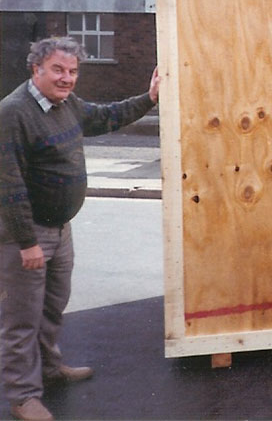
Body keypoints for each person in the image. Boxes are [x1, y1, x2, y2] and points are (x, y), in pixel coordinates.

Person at [0, 37, 160, 421]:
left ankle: (50, 369)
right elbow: (8, 185)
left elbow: (105, 117)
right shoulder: (13, 113)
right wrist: (26, 242)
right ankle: (23, 396)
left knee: (53, 306)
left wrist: (150, 98)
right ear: (36, 69)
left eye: (72, 71)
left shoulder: (66, 104)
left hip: (60, 229)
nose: (67, 78)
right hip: (27, 235)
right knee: (22, 319)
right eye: (58, 69)